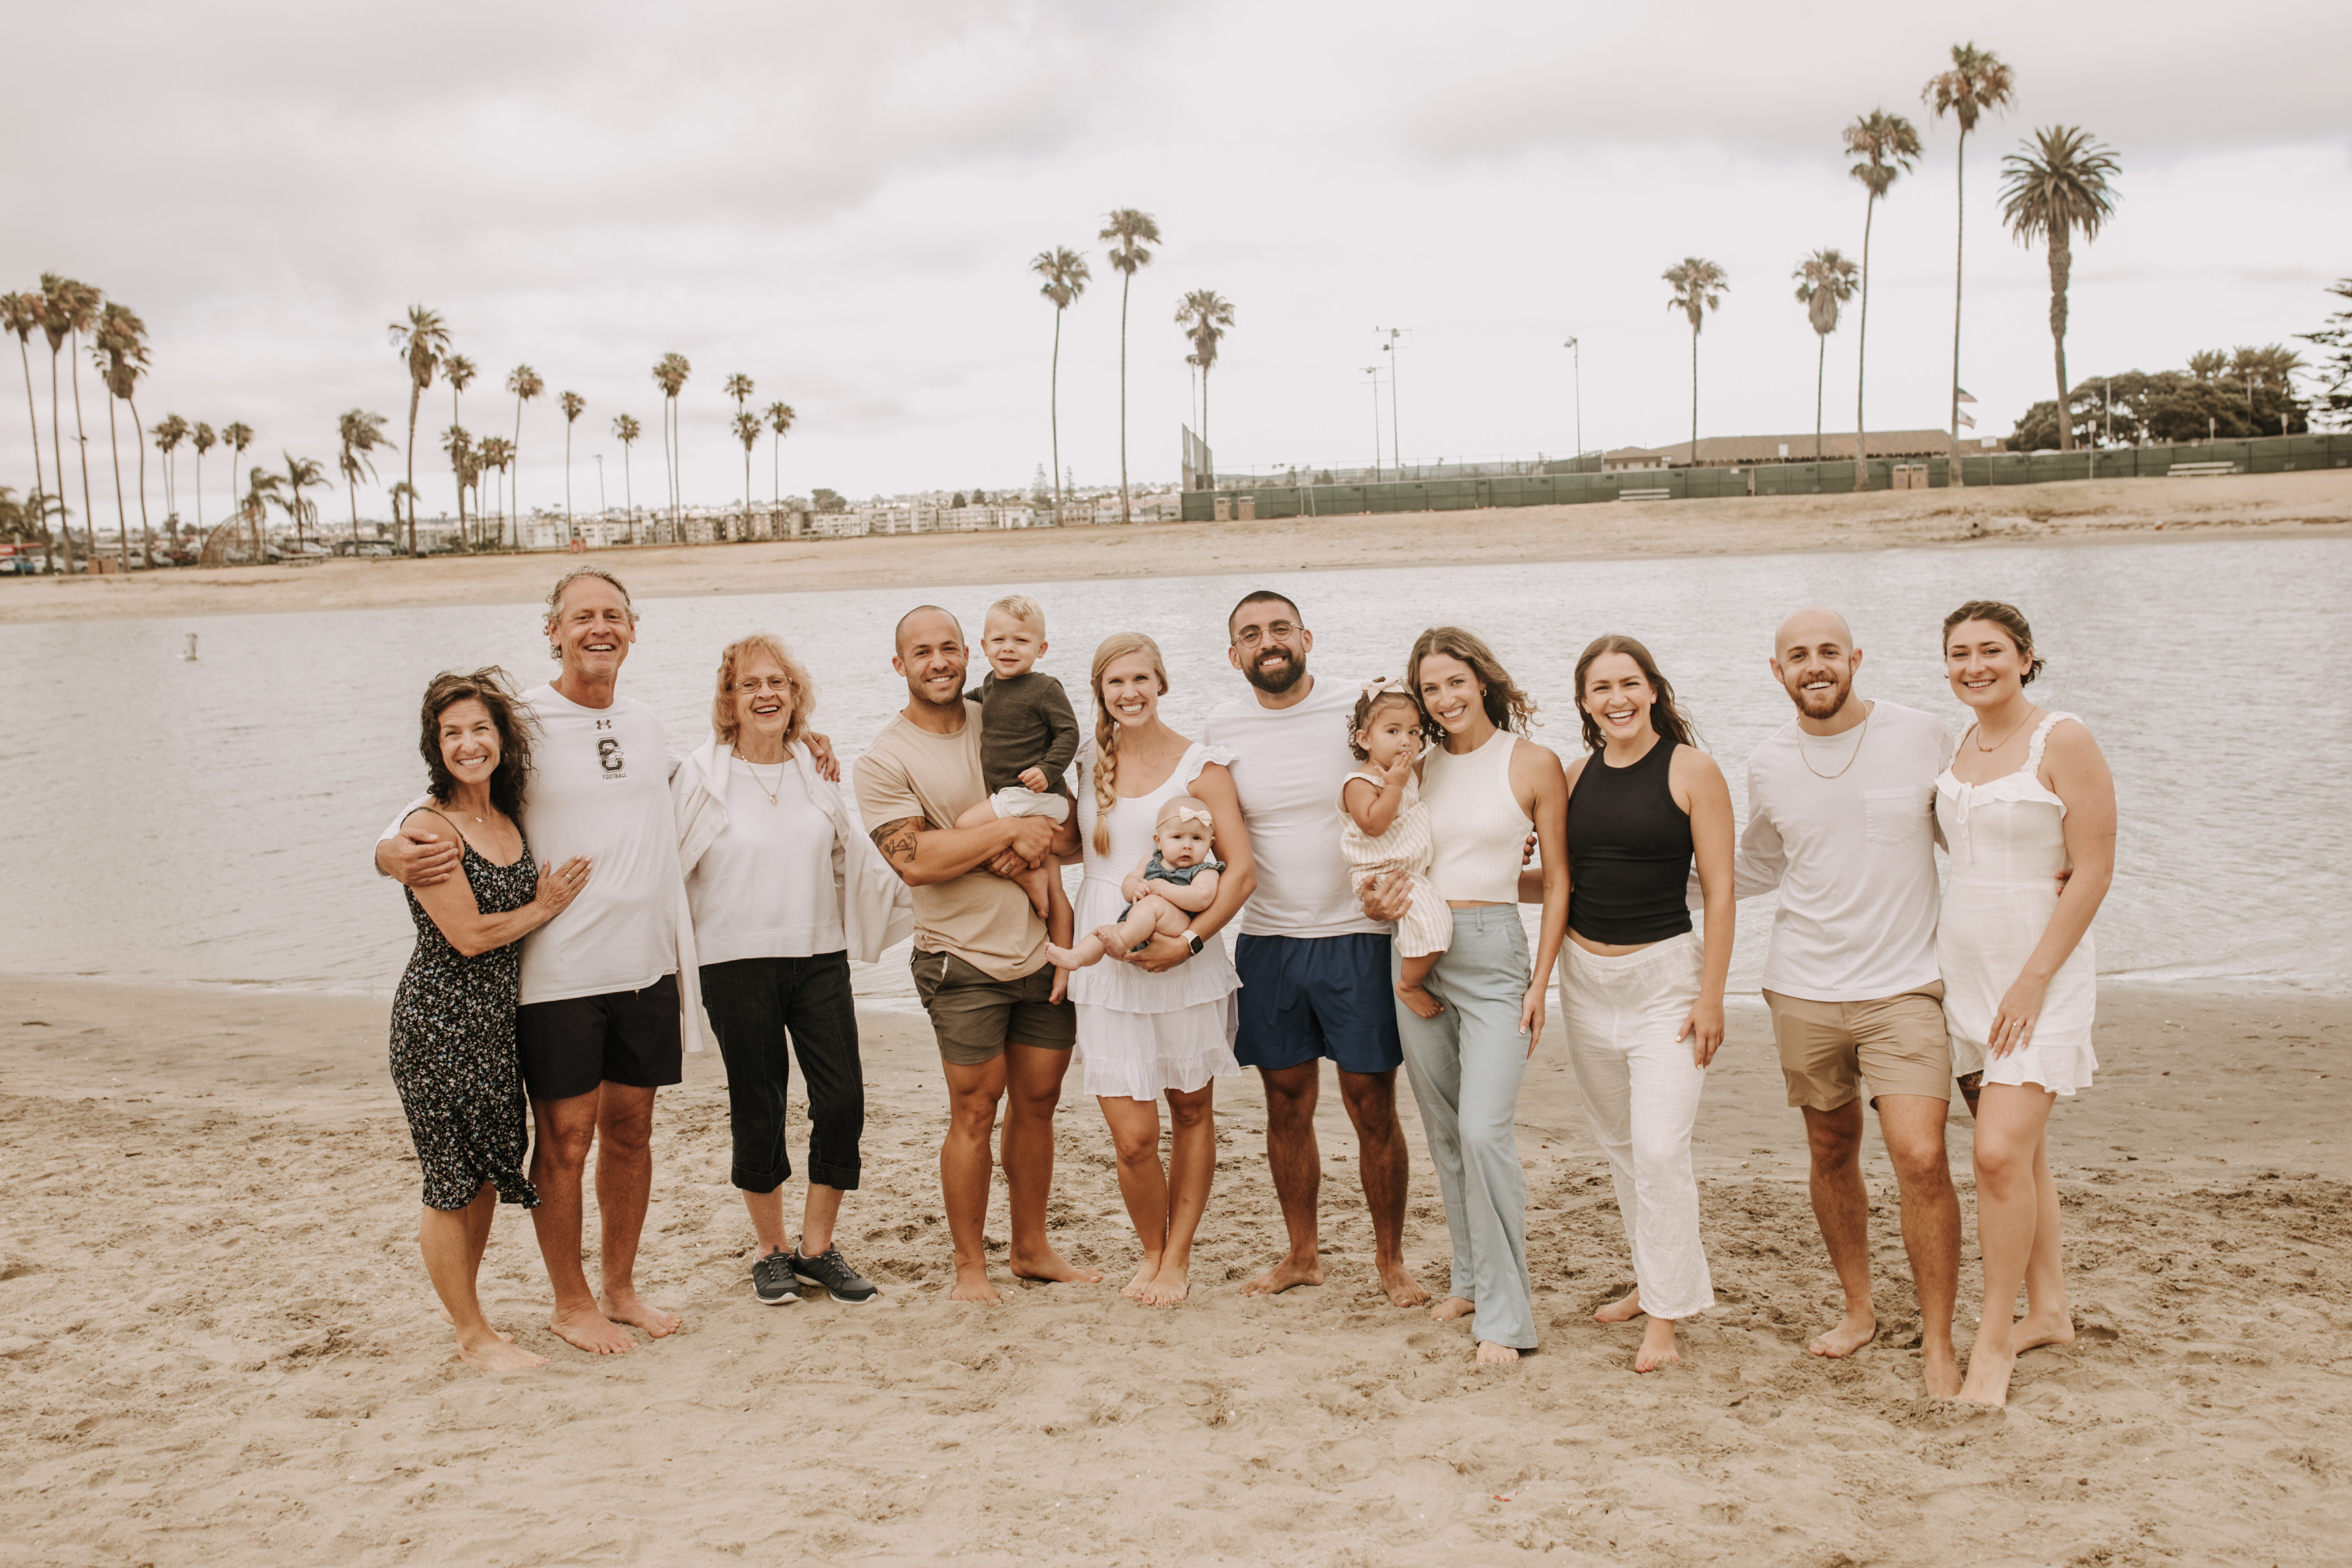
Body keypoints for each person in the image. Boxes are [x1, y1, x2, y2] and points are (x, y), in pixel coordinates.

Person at [377, 567, 700, 1355]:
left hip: (648, 966)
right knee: (563, 1141)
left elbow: (708, 784)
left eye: (614, 615)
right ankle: (571, 1302)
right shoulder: (520, 722)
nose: (599, 627)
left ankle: (620, 1288)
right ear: (551, 631)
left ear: (632, 629)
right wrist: (387, 849)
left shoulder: (649, 721)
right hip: (557, 975)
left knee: (633, 1131)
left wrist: (804, 747)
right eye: (581, 616)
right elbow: (448, 794)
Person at [1732, 607, 1969, 1395]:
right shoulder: (1767, 761)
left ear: (1856, 659)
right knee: (1831, 1151)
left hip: (1904, 986)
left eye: (1828, 651)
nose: (1815, 666)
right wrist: (1616, 892)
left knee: (1921, 1155)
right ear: (1778, 672)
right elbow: (1755, 865)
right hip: (1801, 987)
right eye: (1797, 655)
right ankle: (1860, 1308)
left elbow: (1970, 830)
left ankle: (1938, 1340)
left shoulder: (1922, 733)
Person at [854, 605, 1099, 1303]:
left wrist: (1031, 835)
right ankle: (970, 1268)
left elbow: (1072, 836)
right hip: (960, 960)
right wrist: (1006, 837)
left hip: (1044, 946)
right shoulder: (884, 759)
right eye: (921, 652)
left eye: (949, 649)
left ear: (970, 654)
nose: (938, 662)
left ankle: (1031, 1249)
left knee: (1040, 1101)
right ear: (899, 666)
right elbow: (916, 861)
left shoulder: (1005, 713)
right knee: (975, 1109)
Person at [1204, 590, 1430, 1308]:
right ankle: (1302, 1254)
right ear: (1233, 653)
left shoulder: (1355, 709)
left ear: (1305, 636)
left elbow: (1426, 762)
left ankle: (1390, 1261)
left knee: (1372, 1104)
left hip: (1358, 939)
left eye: (1279, 629)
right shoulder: (1222, 725)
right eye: (1250, 634)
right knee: (1286, 1105)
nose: (1267, 643)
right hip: (1269, 941)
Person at [673, 633, 912, 1308]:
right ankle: (771, 1250)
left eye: (778, 682)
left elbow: (850, 858)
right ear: (730, 699)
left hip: (818, 956)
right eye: (750, 685)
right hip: (734, 962)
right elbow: (668, 865)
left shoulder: (814, 767)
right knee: (761, 1105)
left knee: (842, 1100)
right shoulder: (698, 773)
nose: (766, 694)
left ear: (796, 694)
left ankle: (817, 1248)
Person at [1936, 600, 2114, 1407]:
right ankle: (2051, 1311)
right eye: (1960, 653)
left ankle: (1995, 1339)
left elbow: (2096, 868)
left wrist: (2037, 976)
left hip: (2038, 977)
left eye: (1992, 651)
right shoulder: (1958, 742)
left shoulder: (2062, 738)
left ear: (2027, 657)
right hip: (1965, 974)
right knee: (2025, 1154)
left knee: (1998, 1156)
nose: (1976, 665)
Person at [388, 668, 589, 1372]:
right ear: (434, 745)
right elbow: (469, 937)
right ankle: (472, 1334)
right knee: (451, 1180)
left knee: (478, 1179)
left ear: (501, 738)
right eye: (452, 733)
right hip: (439, 1024)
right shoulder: (429, 827)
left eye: (480, 729)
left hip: (496, 1027)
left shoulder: (505, 815)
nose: (468, 744)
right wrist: (545, 906)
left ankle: (470, 1320)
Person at [1554, 635, 1734, 1373]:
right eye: (1601, 689)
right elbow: (1562, 882)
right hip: (1585, 986)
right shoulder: (1572, 776)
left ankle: (1664, 1319)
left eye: (1629, 684)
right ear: (1585, 703)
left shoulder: (1692, 770)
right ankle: (1654, 1282)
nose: (1617, 699)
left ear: (1652, 690)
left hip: (1667, 985)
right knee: (1626, 1150)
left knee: (1662, 1150)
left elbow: (1721, 890)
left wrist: (1714, 995)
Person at [1061, 632, 1253, 1305]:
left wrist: (1191, 943)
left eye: (1141, 678)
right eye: (1116, 683)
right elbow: (1045, 830)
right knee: (1135, 1135)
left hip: (1185, 953)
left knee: (1191, 1107)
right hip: (1104, 944)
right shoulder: (1084, 761)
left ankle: (1176, 1256)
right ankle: (1150, 1244)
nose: (1130, 693)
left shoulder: (1201, 767)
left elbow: (1241, 873)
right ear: (1100, 692)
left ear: (1162, 682)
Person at [1400, 626, 1568, 1365]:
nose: (1445, 699)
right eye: (1431, 688)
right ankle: (1468, 1278)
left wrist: (1541, 984)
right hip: (1414, 954)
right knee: (1443, 1134)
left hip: (1497, 957)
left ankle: (1507, 1316)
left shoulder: (1531, 763)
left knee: (1483, 1132)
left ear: (1483, 681)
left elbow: (1560, 880)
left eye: (1455, 683)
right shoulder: (1417, 769)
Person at [951, 595, 1080, 927]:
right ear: (984, 645)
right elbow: (975, 699)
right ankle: (1066, 968)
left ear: (1041, 648)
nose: (1008, 648)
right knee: (1056, 888)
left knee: (965, 828)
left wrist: (1047, 769)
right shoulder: (992, 684)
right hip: (1021, 797)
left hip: (1033, 793)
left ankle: (1025, 877)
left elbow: (1068, 733)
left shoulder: (1045, 688)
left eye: (1021, 641)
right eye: (999, 640)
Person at [1340, 679, 1451, 1020]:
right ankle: (1409, 985)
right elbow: (1374, 824)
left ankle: (1415, 972)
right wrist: (1394, 785)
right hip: (1382, 874)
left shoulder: (1405, 775)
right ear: (1365, 740)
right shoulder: (1361, 783)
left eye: (1415, 732)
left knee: (1433, 924)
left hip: (1407, 874)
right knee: (1435, 926)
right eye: (1393, 731)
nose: (1407, 741)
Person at [1047, 794, 1223, 971]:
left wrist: (1163, 889)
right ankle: (1076, 957)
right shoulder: (1150, 861)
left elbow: (1202, 898)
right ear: (1158, 841)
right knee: (1105, 932)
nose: (1187, 845)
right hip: (1136, 928)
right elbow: (1129, 883)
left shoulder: (1205, 871)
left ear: (1210, 844)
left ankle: (1121, 942)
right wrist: (1135, 889)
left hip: (1176, 928)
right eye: (1178, 837)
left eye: (1197, 838)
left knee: (1153, 904)